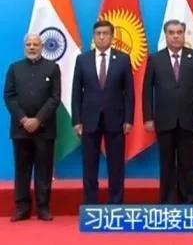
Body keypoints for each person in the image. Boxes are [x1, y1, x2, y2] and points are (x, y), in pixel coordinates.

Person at [143, 19, 193, 204]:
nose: (175, 36)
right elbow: (147, 91)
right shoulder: (155, 59)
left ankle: (189, 200)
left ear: (183, 34)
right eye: (171, 33)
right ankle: (167, 201)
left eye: (179, 32)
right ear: (166, 35)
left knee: (188, 163)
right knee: (166, 163)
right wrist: (148, 117)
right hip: (164, 120)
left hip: (189, 119)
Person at [71, 20, 134, 204]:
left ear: (112, 37)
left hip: (116, 119)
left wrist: (128, 119)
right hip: (89, 120)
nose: (101, 37)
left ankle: (116, 203)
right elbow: (76, 92)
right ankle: (91, 203)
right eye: (98, 33)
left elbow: (129, 93)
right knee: (89, 164)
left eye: (105, 33)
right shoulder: (83, 59)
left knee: (116, 165)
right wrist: (77, 120)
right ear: (93, 36)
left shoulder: (123, 59)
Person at [4, 34, 61, 221]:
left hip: (44, 129)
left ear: (42, 47)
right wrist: (23, 119)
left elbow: (55, 98)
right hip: (20, 129)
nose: (32, 47)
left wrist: (38, 120)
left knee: (44, 169)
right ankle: (22, 208)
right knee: (22, 169)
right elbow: (9, 96)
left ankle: (43, 207)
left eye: (35, 44)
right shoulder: (14, 68)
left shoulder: (52, 68)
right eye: (28, 44)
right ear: (24, 47)